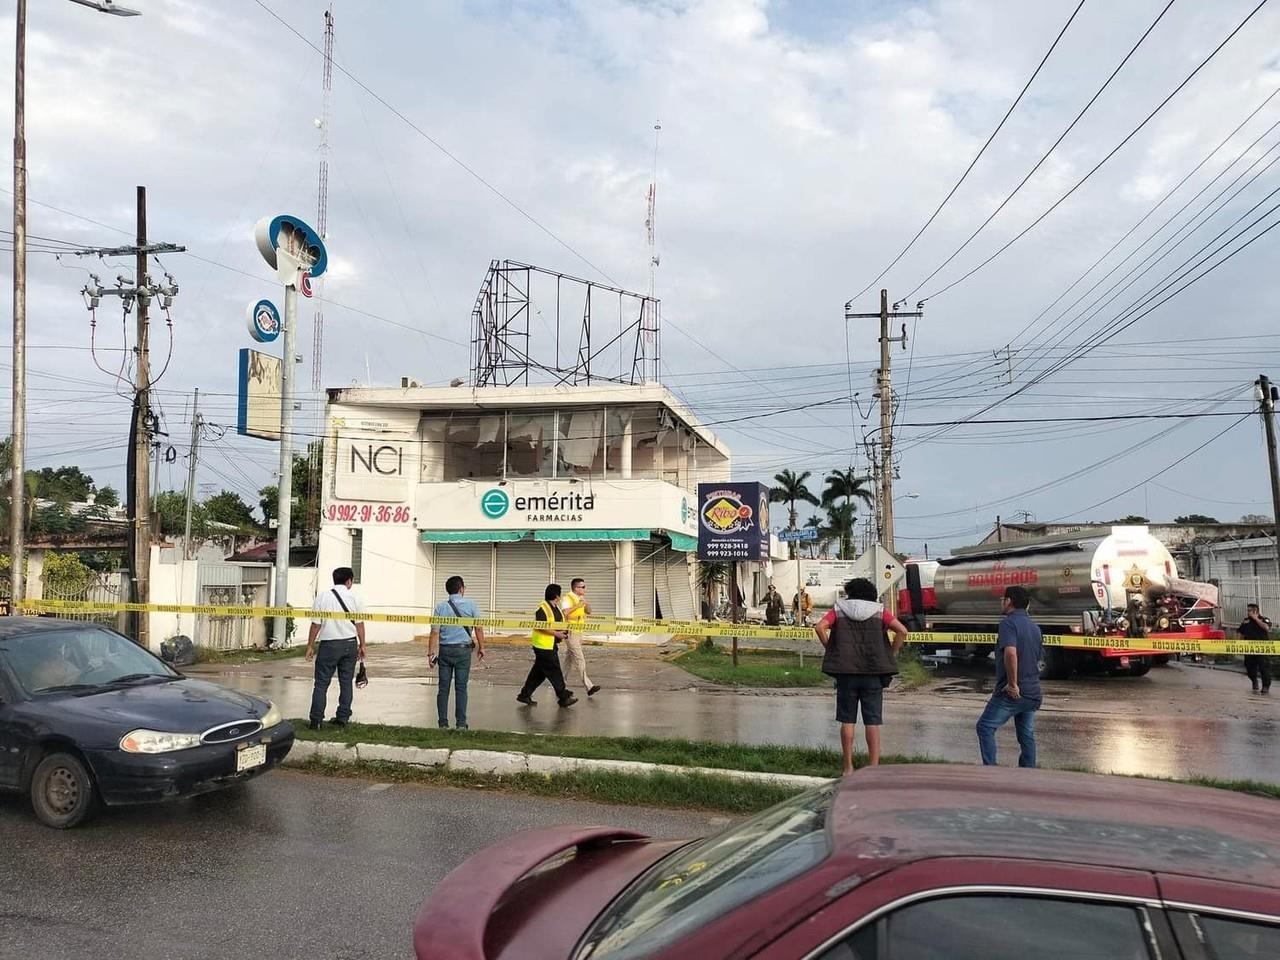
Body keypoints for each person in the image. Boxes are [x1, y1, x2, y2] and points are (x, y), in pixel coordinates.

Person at [815, 578, 908, 775]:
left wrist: (830, 648)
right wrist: (891, 653)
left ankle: (848, 767)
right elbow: (902, 630)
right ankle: (873, 768)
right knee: (872, 721)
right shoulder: (880, 611)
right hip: (873, 673)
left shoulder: (839, 609)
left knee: (847, 720)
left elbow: (819, 627)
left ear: (851, 593)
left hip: (846, 673)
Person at [976, 585, 1043, 768]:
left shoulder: (1008, 623)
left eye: (1003, 599)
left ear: (1009, 601)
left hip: (1012, 693)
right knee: (1026, 734)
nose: (1001, 602)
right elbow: (1037, 658)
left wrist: (1013, 684)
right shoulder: (1035, 628)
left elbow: (1011, 653)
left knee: (985, 727)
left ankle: (992, 770)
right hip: (1033, 692)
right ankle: (1028, 773)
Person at [306, 567, 366, 730]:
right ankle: (343, 718)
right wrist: (362, 645)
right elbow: (360, 624)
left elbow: (315, 624)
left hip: (329, 645)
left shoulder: (323, 597)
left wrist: (310, 645)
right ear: (349, 581)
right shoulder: (355, 598)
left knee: (321, 683)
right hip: (349, 644)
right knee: (346, 682)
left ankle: (316, 720)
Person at [428, 575, 486, 729]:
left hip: (445, 651)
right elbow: (479, 628)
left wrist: (430, 653)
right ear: (461, 589)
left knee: (443, 688)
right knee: (461, 688)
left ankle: (442, 724)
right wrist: (482, 647)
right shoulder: (472, 605)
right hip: (463, 651)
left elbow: (434, 632)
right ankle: (461, 724)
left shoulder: (440, 607)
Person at [517, 583, 578, 708]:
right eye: (559, 595)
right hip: (543, 645)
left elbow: (557, 623)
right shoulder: (542, 608)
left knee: (538, 673)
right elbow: (540, 626)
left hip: (551, 644)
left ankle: (524, 695)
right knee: (555, 671)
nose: (560, 598)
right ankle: (563, 696)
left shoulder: (555, 607)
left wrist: (564, 631)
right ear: (556, 596)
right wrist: (557, 633)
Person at [561, 577, 601, 697]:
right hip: (570, 631)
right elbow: (565, 612)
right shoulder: (567, 598)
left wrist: (586, 603)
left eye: (584, 587)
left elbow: (589, 612)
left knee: (569, 659)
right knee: (580, 659)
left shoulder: (581, 599)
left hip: (579, 632)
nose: (585, 589)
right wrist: (578, 605)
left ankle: (560, 683)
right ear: (576, 588)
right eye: (582, 587)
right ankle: (589, 686)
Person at [1240, 603, 1273, 695]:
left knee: (1264, 668)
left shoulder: (1264, 619)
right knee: (1249, 667)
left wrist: (1255, 618)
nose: (1247, 612)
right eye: (1247, 610)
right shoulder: (1246, 621)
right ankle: (1254, 681)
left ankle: (1265, 686)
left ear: (1255, 611)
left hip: (1262, 649)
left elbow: (1266, 628)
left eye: (1249, 610)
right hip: (1249, 648)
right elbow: (1241, 633)